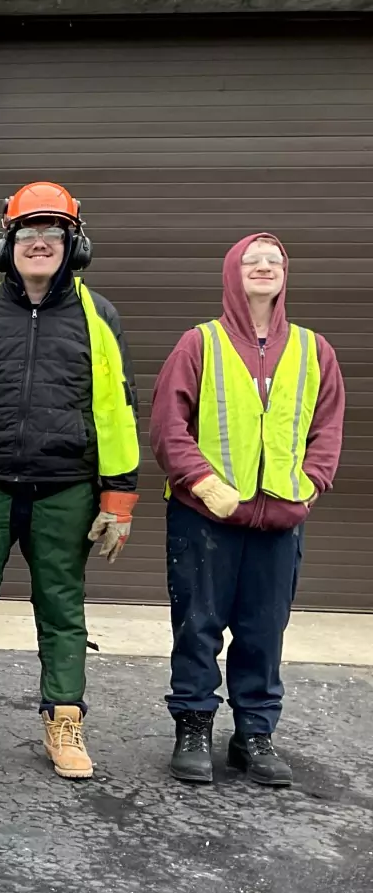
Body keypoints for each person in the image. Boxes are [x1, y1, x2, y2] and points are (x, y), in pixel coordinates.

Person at [0, 182, 140, 779]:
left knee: (62, 607)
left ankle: (65, 720)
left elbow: (118, 413)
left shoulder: (99, 318)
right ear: (6, 242)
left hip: (66, 487)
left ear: (75, 244)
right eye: (27, 232)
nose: (39, 243)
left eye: (52, 233)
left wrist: (118, 498)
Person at [151, 234, 343, 787]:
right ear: (232, 273)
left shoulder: (314, 350)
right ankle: (192, 725)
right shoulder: (199, 344)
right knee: (197, 627)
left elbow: (326, 430)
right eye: (252, 260)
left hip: (279, 521)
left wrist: (309, 486)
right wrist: (202, 482)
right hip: (204, 518)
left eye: (274, 261)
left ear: (286, 274)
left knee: (265, 630)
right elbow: (168, 426)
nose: (264, 267)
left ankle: (253, 734)